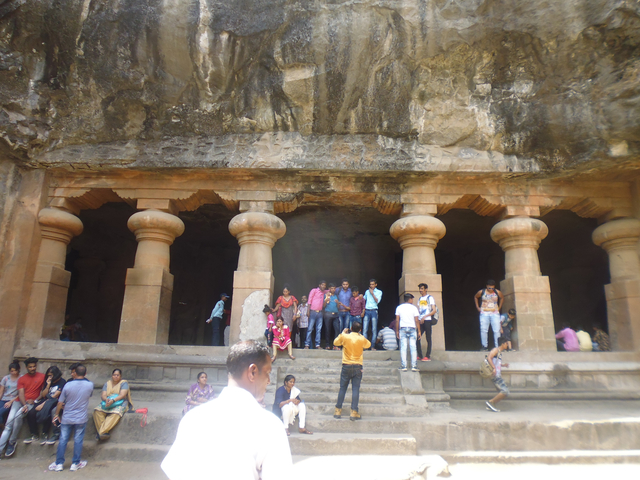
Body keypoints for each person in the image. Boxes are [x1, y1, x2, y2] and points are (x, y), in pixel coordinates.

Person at [161, 341, 292, 480]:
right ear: (252, 372)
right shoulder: (269, 426)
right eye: (267, 373)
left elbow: (175, 472)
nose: (269, 381)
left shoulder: (192, 418)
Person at [48, 364, 93, 472]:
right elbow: (89, 395)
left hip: (67, 417)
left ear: (75, 373)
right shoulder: (90, 385)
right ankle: (75, 463)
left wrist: (56, 415)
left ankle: (59, 463)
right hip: (81, 418)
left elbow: (60, 402)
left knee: (63, 439)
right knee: (78, 440)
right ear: (85, 374)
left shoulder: (67, 385)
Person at [0, 357, 45, 458]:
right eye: (30, 367)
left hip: (31, 403)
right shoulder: (22, 379)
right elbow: (21, 393)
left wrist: (34, 400)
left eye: (34, 366)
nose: (32, 368)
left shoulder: (42, 377)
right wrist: (24, 404)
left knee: (18, 417)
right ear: (26, 367)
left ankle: (12, 442)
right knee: (9, 422)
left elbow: (43, 392)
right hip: (20, 402)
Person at [333, 321, 371, 421]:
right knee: (355, 389)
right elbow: (368, 345)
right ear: (360, 330)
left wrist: (342, 333)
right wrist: (360, 334)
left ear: (350, 328)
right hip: (358, 366)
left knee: (342, 388)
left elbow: (335, 342)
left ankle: (338, 410)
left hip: (346, 365)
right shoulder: (361, 338)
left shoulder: (345, 337)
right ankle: (354, 412)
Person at [24, 365, 66, 445]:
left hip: (54, 401)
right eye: (48, 375)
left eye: (51, 375)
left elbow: (55, 396)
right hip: (45, 399)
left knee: (47, 412)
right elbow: (43, 394)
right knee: (31, 412)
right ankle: (34, 433)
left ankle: (45, 433)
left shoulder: (62, 382)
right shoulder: (48, 381)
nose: (49, 377)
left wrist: (43, 404)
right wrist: (47, 385)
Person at [93, 368, 133, 441]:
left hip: (119, 402)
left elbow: (122, 395)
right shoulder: (107, 383)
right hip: (108, 401)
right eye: (114, 375)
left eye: (118, 375)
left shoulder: (124, 383)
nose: (116, 376)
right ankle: (103, 433)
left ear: (120, 376)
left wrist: (113, 400)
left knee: (116, 413)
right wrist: (106, 399)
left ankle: (101, 433)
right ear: (112, 376)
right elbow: (103, 395)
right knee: (97, 411)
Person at [474, 280, 504, 351]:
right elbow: (476, 297)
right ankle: (484, 346)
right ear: (486, 286)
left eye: (492, 288)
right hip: (484, 313)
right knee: (484, 330)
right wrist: (478, 307)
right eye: (489, 288)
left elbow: (502, 298)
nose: (491, 290)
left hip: (494, 313)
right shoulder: (482, 292)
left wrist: (499, 307)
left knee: (496, 330)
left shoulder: (497, 292)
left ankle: (497, 346)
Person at [395, 293, 421, 372]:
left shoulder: (399, 307)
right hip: (412, 329)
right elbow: (416, 320)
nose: (412, 300)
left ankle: (404, 366)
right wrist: (419, 331)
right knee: (413, 347)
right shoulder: (414, 308)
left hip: (402, 328)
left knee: (403, 347)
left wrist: (397, 331)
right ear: (409, 299)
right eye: (412, 299)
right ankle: (414, 366)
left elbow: (397, 320)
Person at [485, 336, 510, 412]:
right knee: (505, 391)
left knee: (504, 392)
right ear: (502, 344)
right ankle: (491, 402)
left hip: (497, 374)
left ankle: (491, 405)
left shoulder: (499, 352)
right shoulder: (496, 350)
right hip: (495, 375)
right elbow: (489, 357)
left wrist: (503, 365)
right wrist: (494, 368)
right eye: (506, 343)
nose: (507, 345)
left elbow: (496, 362)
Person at [417, 283, 436, 361]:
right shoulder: (419, 299)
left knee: (428, 338)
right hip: (421, 320)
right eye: (420, 289)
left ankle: (428, 356)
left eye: (422, 289)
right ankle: (420, 355)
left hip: (427, 320)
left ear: (426, 289)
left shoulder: (430, 298)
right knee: (417, 337)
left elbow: (434, 310)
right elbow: (418, 310)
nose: (420, 290)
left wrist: (425, 317)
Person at [306, 280, 328, 349]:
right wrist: (308, 311)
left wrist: (339, 287)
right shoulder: (314, 290)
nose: (323, 286)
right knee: (310, 328)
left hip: (320, 312)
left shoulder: (324, 292)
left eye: (324, 285)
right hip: (312, 311)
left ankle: (317, 345)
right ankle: (307, 344)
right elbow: (309, 300)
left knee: (319, 329)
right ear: (319, 285)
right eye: (322, 285)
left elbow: (332, 289)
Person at [0, 362, 20, 429]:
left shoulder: (21, 378)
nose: (14, 372)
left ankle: (3, 428)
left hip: (13, 400)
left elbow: (21, 393)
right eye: (12, 371)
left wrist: (10, 402)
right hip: (3, 399)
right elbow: (1, 390)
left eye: (15, 370)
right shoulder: (6, 378)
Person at [363, 279, 383, 347]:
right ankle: (365, 346)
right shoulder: (367, 291)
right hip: (367, 310)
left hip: (374, 310)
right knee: (365, 328)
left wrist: (372, 293)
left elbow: (377, 301)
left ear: (375, 285)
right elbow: (363, 299)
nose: (371, 286)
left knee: (374, 329)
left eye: (372, 284)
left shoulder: (379, 292)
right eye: (370, 284)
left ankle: (373, 346)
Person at [324, 283, 341, 350]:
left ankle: (336, 345)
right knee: (327, 330)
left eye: (334, 288)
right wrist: (326, 301)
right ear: (329, 289)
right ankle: (327, 345)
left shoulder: (337, 296)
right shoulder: (327, 295)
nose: (333, 289)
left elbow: (339, 306)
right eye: (331, 288)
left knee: (337, 330)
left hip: (336, 314)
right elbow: (324, 306)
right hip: (328, 314)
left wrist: (337, 303)